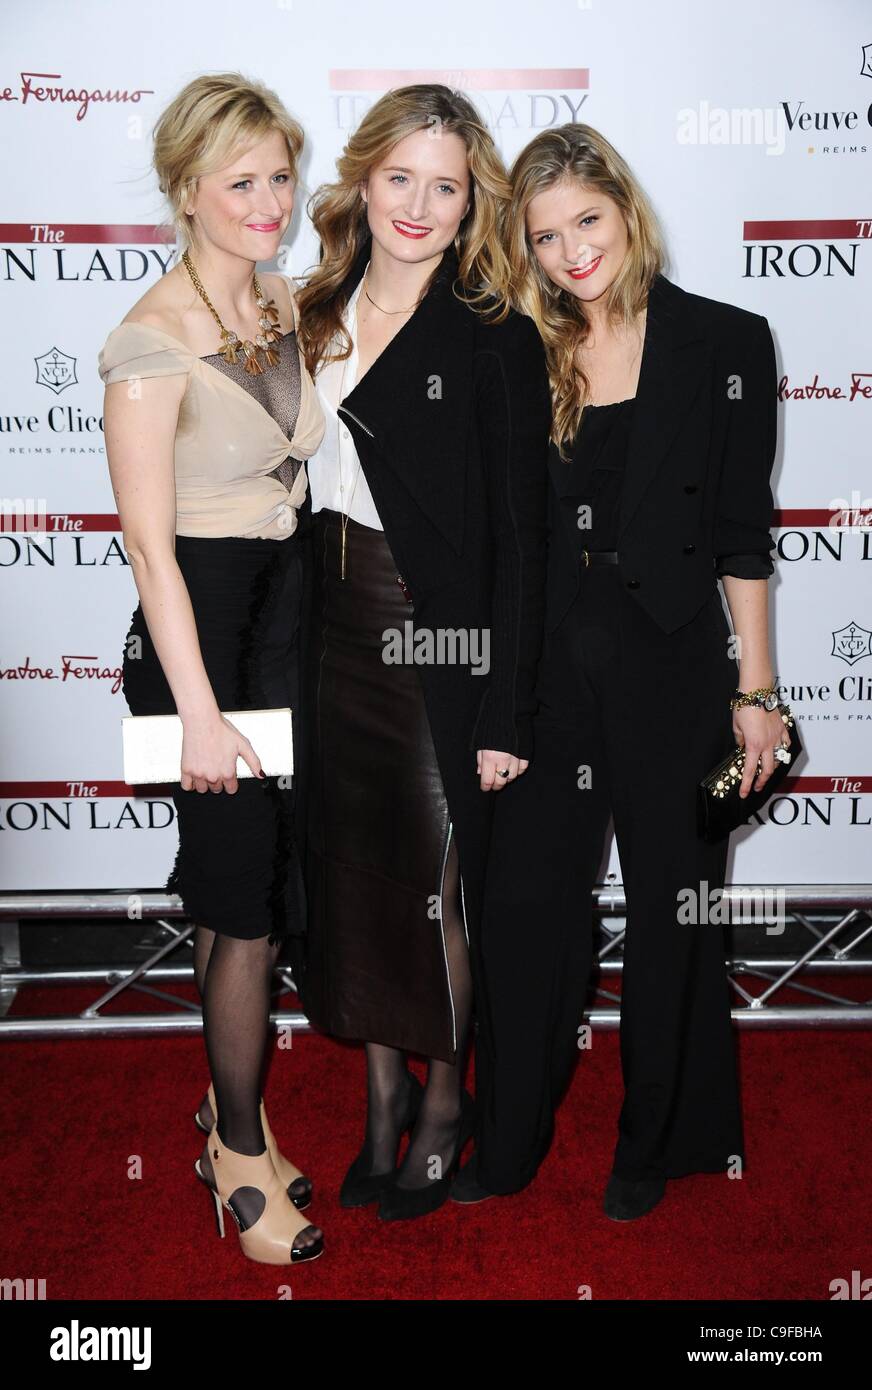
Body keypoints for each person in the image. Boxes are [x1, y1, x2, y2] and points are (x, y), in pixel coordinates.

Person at [451, 123, 785, 1220]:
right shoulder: (514, 348)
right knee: (522, 903)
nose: (566, 253)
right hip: (548, 663)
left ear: (624, 211)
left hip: (669, 656)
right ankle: (504, 1138)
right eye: (542, 236)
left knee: (671, 907)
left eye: (583, 221)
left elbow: (741, 532)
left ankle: (657, 1140)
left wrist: (756, 694)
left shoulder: (726, 342)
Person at [295, 84, 551, 1221]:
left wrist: (505, 712)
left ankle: (447, 1103)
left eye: (443, 186)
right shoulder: (308, 312)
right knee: (347, 885)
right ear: (362, 178)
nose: (417, 203)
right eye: (399, 175)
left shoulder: (492, 334)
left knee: (430, 889)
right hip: (325, 627)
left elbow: (525, 544)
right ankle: (381, 1098)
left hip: (433, 640)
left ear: (467, 206)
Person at [98, 73, 326, 1264]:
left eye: (280, 177)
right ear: (186, 189)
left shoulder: (279, 296)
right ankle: (235, 1148)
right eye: (240, 182)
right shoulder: (150, 338)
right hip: (199, 636)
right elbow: (148, 543)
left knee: (254, 884)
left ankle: (224, 1103)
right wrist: (198, 712)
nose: (268, 203)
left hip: (284, 622)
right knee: (240, 906)